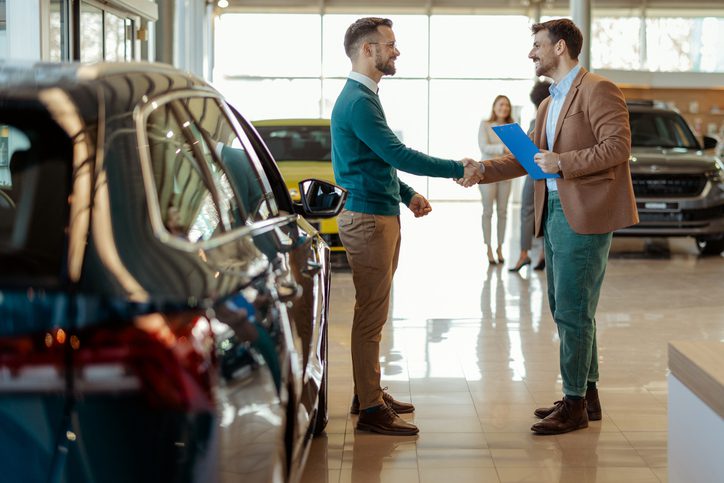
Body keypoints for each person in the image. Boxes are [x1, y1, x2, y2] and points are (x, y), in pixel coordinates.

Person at [472, 18, 638, 435]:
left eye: (537, 46)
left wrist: (563, 162)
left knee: (573, 310)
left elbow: (618, 147)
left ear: (560, 47)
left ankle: (575, 403)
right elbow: (526, 158)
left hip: (586, 210)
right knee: (567, 309)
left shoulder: (599, 89)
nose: (532, 53)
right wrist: (480, 170)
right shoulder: (548, 103)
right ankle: (587, 396)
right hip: (555, 211)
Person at [331, 17, 482, 436]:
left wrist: (406, 193)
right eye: (390, 44)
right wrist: (457, 167)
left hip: (376, 211)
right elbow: (397, 151)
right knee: (371, 313)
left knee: (374, 311)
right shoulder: (359, 101)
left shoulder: (364, 97)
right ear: (367, 50)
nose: (396, 51)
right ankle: (372, 410)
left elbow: (374, 160)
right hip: (366, 218)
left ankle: (369, 392)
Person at [509, 81, 551, 272]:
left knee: (527, 211)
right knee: (547, 213)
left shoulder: (537, 120)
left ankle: (524, 255)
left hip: (535, 172)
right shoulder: (558, 116)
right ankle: (543, 254)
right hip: (553, 174)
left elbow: (527, 150)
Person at [477, 95, 514, 265]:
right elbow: (483, 146)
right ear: (494, 107)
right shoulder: (485, 125)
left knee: (503, 211)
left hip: (506, 173)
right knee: (488, 211)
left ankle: (500, 246)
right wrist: (503, 148)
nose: (504, 108)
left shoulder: (512, 128)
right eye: (501, 104)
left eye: (507, 105)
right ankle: (488, 247)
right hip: (489, 172)